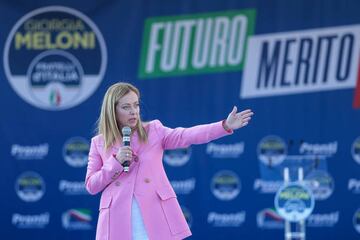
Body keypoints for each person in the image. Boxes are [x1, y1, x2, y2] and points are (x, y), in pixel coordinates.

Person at [85, 82, 254, 240]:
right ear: (112, 110)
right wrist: (115, 162)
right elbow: (92, 185)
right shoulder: (98, 142)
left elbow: (187, 135)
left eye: (136, 105)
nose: (134, 111)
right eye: (126, 107)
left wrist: (224, 126)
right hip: (117, 220)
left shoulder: (154, 130)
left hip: (154, 214)